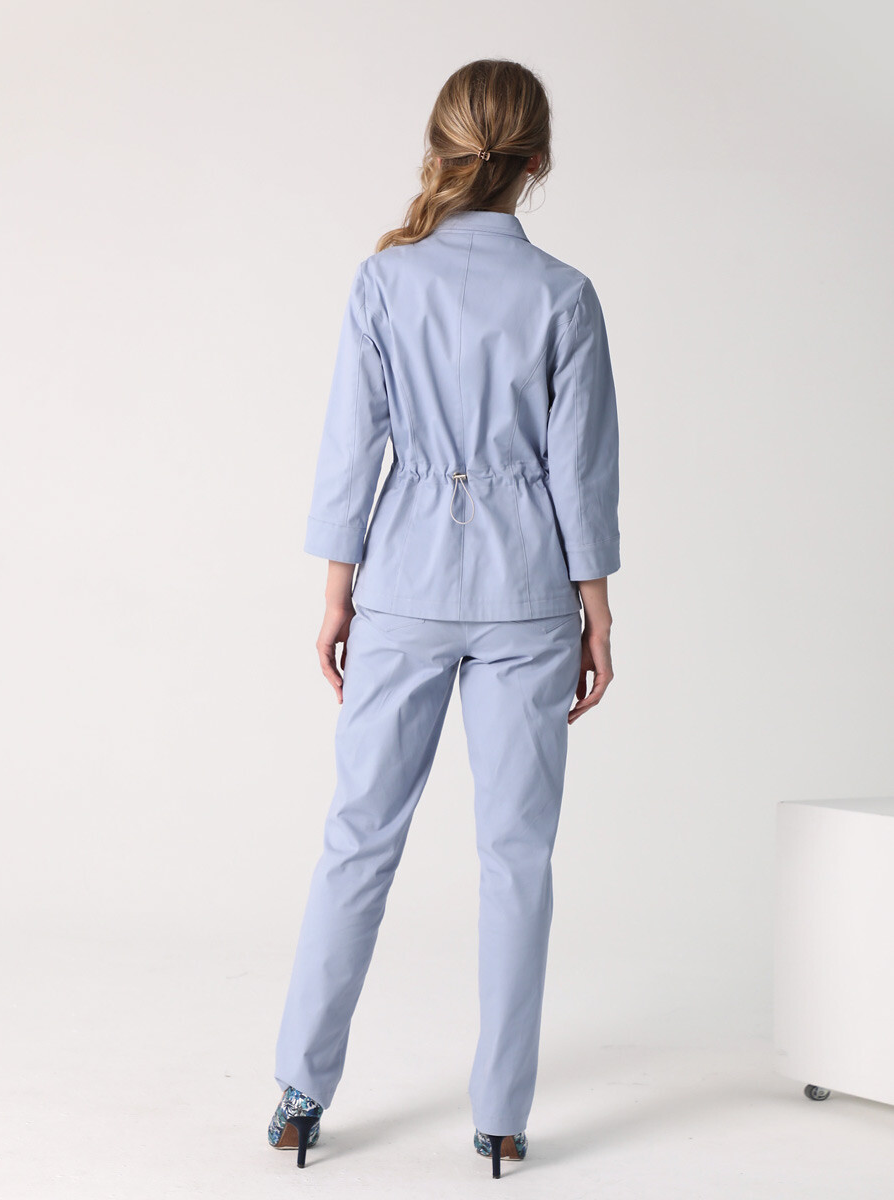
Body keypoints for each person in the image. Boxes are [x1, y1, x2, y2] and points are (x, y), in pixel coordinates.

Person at [268, 57, 621, 1177]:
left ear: (442, 148)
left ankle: (298, 1094)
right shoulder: (564, 294)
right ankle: (500, 1117)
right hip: (528, 594)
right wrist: (596, 609)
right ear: (537, 161)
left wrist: (338, 592)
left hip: (404, 582)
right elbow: (581, 473)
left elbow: (350, 448)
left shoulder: (385, 280)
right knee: (517, 857)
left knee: (358, 837)